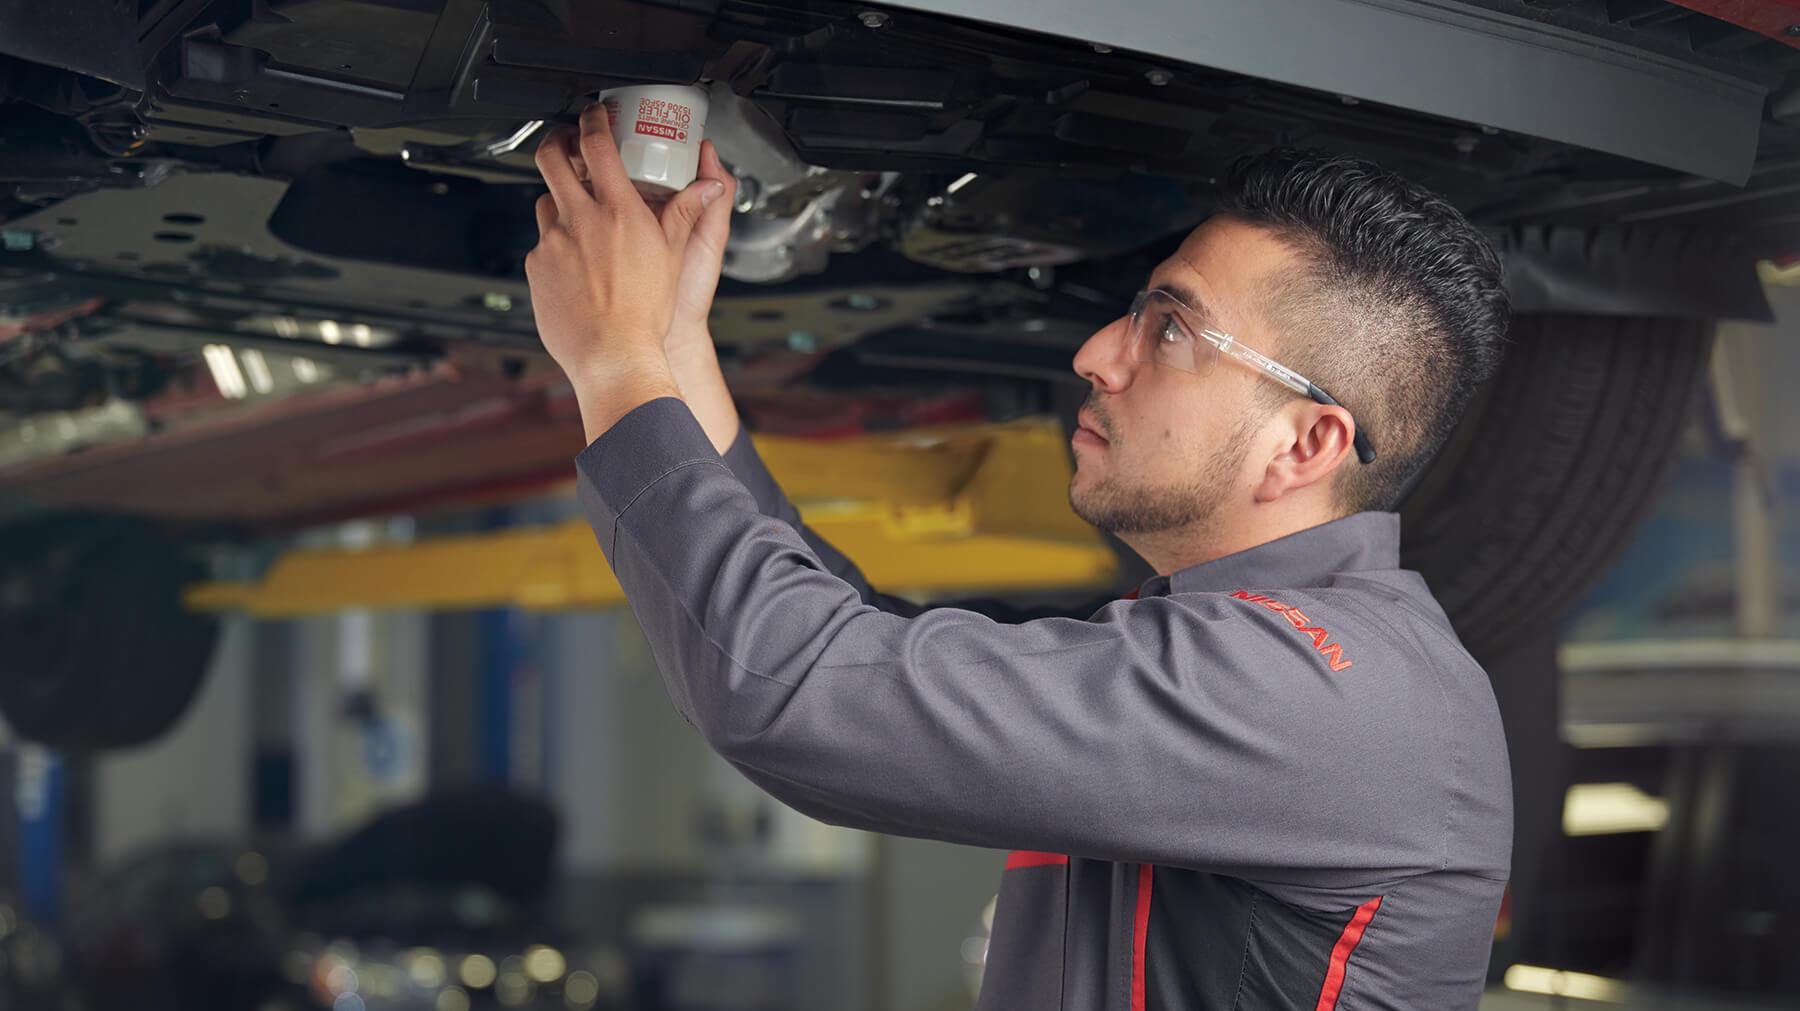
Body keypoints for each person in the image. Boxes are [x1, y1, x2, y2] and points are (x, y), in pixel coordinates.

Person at [525, 101, 1513, 1010]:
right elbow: (866, 660)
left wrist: (619, 365)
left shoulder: (1326, 695)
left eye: (1170, 331)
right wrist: (671, 347)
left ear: (1305, 444)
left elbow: (797, 687)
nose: (1094, 352)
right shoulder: (1278, 663)